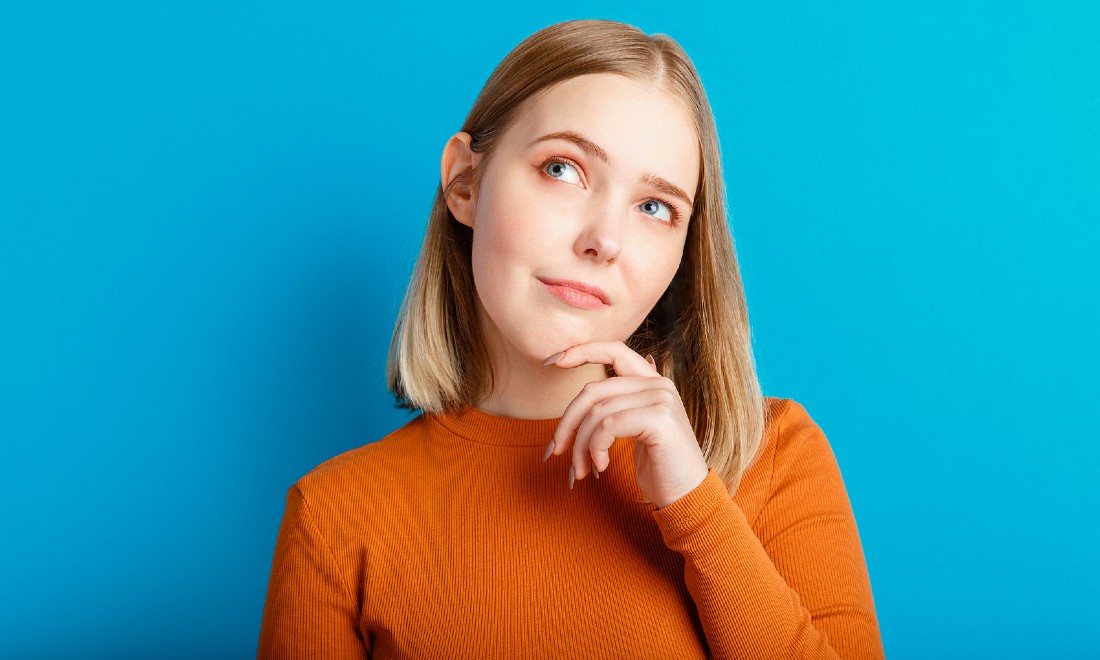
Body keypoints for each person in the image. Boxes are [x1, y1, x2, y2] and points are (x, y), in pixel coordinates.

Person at [258, 18, 884, 659]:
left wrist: (697, 510)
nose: (604, 240)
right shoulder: (334, 515)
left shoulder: (772, 455)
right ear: (464, 183)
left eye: (655, 207)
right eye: (563, 168)